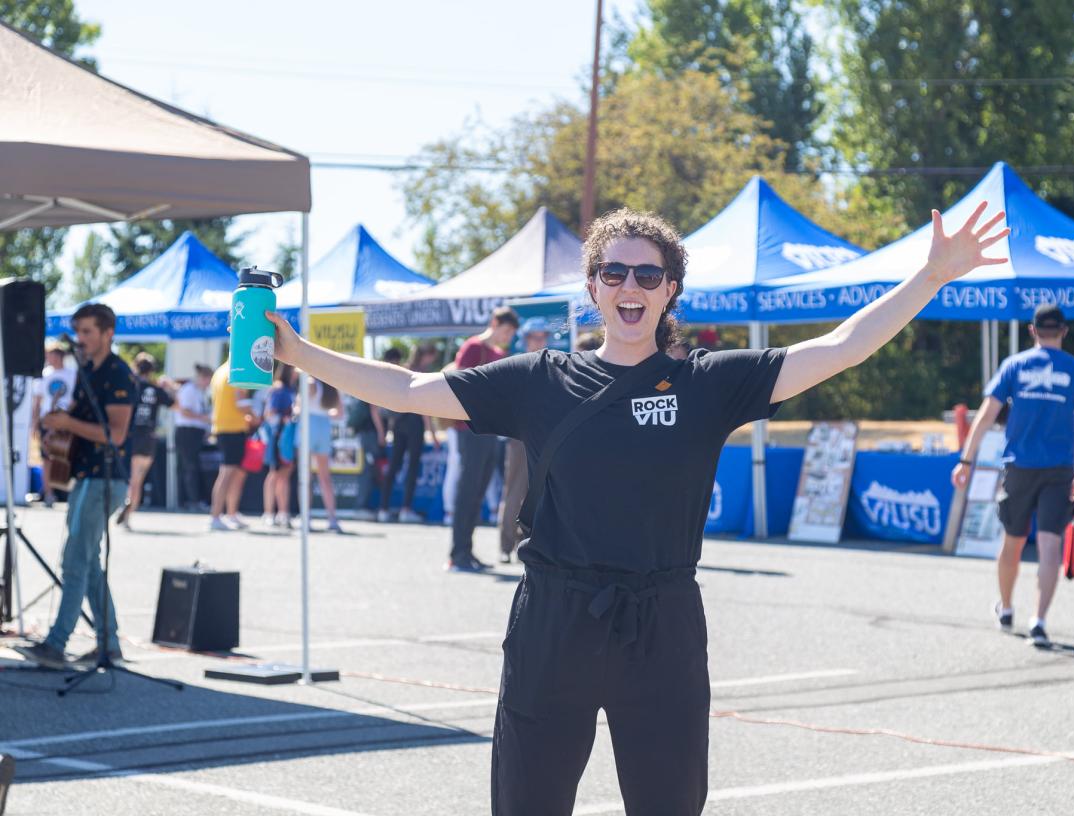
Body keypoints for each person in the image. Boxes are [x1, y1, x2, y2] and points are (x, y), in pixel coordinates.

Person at [263, 203, 1006, 815]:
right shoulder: (539, 380)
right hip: (554, 619)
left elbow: (842, 346)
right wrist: (299, 355)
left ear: (670, 290)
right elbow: (406, 390)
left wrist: (931, 276)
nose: (630, 286)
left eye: (648, 274)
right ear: (592, 287)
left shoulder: (708, 383)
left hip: (663, 624)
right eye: (613, 271)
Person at [953, 304, 1074, 648]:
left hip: (1019, 467)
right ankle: (1039, 621)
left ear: (1032, 331)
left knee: (1013, 541)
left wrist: (966, 460)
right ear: (1064, 331)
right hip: (1059, 468)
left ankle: (1006, 609)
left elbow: (986, 415)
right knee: (1050, 544)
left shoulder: (1014, 365)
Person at [16, 303, 134, 668]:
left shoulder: (118, 373)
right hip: (86, 475)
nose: (80, 339)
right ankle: (109, 644)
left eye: (87, 332)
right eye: (78, 331)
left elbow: (116, 434)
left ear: (108, 333)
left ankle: (57, 644)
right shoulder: (87, 371)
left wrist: (68, 424)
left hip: (105, 477)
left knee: (75, 561)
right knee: (88, 563)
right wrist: (59, 423)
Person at [448, 306, 519, 572]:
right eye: (506, 331)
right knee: (468, 491)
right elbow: (458, 386)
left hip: (489, 432)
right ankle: (457, 554)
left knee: (478, 493)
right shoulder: (473, 347)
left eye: (511, 333)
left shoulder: (500, 354)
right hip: (469, 430)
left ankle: (467, 551)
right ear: (495, 323)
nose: (507, 337)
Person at [496, 318, 551, 563]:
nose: (539, 340)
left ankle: (526, 544)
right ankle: (505, 545)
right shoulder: (517, 364)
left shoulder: (553, 364)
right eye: (535, 336)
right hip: (519, 438)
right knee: (514, 492)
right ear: (526, 339)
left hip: (546, 438)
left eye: (543, 336)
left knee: (539, 495)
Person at [378, 345, 438, 523]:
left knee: (394, 466)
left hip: (398, 423)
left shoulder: (403, 370)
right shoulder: (423, 374)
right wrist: (432, 433)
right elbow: (425, 408)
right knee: (412, 467)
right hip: (414, 424)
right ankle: (405, 509)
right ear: (426, 356)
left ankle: (383, 508)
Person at [117, 352, 175, 531]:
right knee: (138, 479)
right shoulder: (155, 389)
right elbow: (175, 404)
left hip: (132, 435)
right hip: (148, 437)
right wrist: (170, 386)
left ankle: (126, 508)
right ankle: (129, 512)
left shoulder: (131, 386)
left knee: (131, 478)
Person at [209, 360, 254, 531]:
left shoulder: (220, 371)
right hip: (232, 429)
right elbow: (241, 404)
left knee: (234, 474)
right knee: (227, 473)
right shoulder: (238, 370)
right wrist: (255, 415)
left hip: (224, 428)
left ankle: (231, 513)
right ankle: (215, 516)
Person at [32, 340, 76, 506]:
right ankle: (48, 493)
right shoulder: (44, 374)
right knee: (47, 457)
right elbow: (37, 402)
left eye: (51, 355)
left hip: (66, 420)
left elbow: (76, 399)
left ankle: (65, 491)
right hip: (48, 420)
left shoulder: (72, 374)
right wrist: (35, 423)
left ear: (59, 356)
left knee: (66, 456)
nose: (49, 359)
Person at [260, 364, 297, 528]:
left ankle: (283, 512)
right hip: (278, 437)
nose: (297, 374)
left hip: (289, 438)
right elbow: (270, 413)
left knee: (285, 475)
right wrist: (285, 419)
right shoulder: (278, 389)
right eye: (295, 370)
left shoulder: (291, 389)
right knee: (274, 474)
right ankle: (268, 513)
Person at [173, 364, 212, 511]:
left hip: (195, 432)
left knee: (192, 466)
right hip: (187, 432)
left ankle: (194, 499)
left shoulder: (200, 391)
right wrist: (204, 418)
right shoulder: (189, 389)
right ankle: (191, 500)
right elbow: (184, 411)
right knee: (189, 466)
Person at [307, 377, 343, 532]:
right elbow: (339, 413)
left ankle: (306, 518)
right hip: (324, 427)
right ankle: (332, 518)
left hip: (309, 426)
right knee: (325, 477)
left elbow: (299, 406)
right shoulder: (331, 385)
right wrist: (324, 413)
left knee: (306, 477)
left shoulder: (310, 382)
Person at [346, 388, 385, 521]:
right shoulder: (371, 387)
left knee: (369, 469)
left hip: (365, 434)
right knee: (367, 470)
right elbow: (374, 409)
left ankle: (363, 505)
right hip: (369, 435)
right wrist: (381, 432)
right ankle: (361, 506)